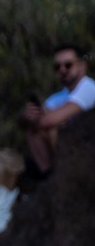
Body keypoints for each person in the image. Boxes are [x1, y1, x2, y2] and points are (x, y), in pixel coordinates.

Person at [20, 44, 95, 178]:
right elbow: (41, 120)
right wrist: (28, 117)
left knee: (53, 128)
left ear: (82, 66)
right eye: (57, 66)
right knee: (33, 130)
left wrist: (40, 118)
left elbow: (48, 121)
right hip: (70, 156)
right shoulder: (57, 98)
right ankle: (49, 178)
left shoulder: (89, 88)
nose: (62, 70)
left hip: (87, 155)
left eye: (68, 65)